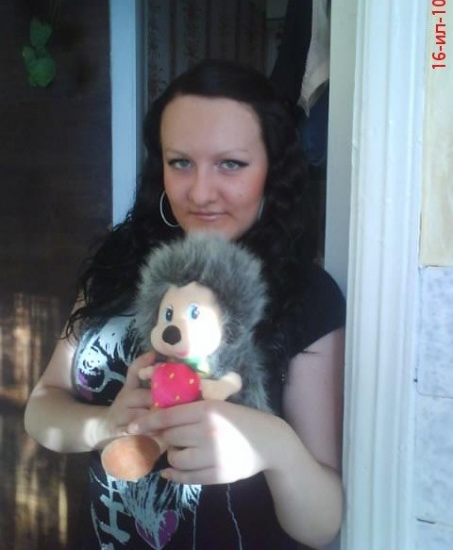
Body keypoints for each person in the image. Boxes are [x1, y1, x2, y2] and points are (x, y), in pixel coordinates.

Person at [24, 59, 346, 550]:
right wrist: (105, 425)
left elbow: (322, 526)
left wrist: (274, 446)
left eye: (230, 164)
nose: (200, 192)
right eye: (181, 163)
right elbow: (42, 406)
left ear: (272, 170)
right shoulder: (121, 262)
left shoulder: (307, 296)